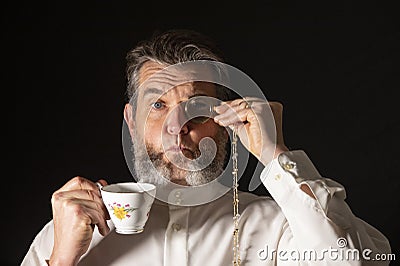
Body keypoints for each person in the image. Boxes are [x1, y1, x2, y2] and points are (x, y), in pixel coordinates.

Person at [22, 29, 391, 266]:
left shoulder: (282, 226)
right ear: (131, 122)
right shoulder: (69, 231)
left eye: (197, 107)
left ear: (226, 123)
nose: (177, 127)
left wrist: (275, 154)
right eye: (157, 105)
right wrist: (62, 259)